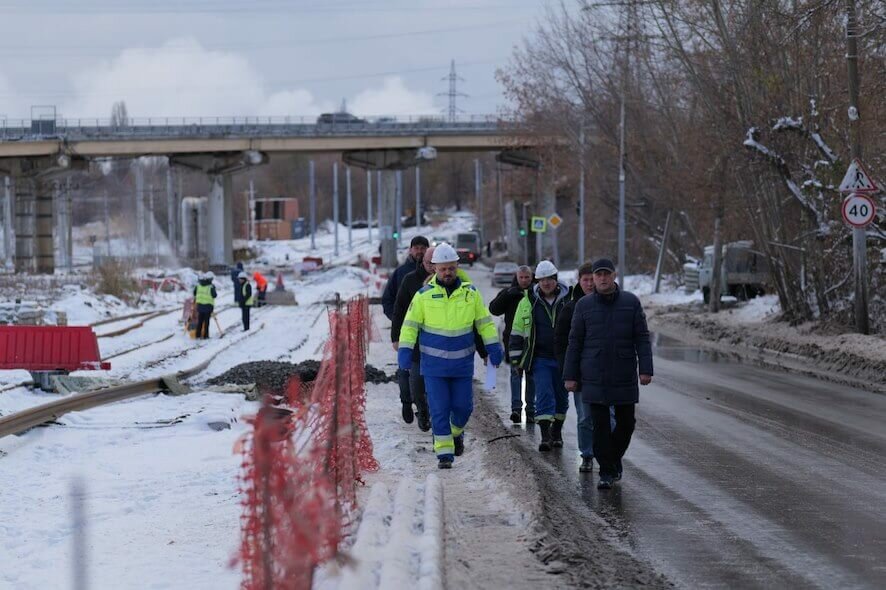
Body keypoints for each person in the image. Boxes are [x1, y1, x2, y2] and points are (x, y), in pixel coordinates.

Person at [398, 243, 503, 469]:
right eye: (443, 269)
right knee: (439, 408)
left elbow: (484, 324)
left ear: (457, 267)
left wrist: (493, 347)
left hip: (462, 366)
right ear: (434, 269)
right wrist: (405, 351)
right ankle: (444, 455)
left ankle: (456, 433)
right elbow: (409, 326)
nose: (448, 273)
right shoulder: (423, 296)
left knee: (464, 408)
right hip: (433, 367)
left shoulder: (470, 294)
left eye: (451, 268)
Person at [563, 258, 653, 490]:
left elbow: (642, 338)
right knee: (599, 425)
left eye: (606, 274)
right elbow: (574, 342)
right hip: (593, 374)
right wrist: (570, 375)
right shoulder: (584, 306)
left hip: (623, 374)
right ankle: (605, 471)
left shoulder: (630, 302)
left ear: (614, 276)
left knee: (626, 424)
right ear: (592, 278)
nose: (602, 278)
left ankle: (611, 460)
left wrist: (645, 369)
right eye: (598, 275)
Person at [510, 260, 571, 452]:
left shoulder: (568, 301)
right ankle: (545, 436)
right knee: (544, 394)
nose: (546, 283)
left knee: (561, 398)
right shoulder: (528, 302)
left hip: (564, 359)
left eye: (549, 279)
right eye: (542, 280)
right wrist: (516, 360)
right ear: (538, 281)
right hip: (540, 358)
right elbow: (517, 331)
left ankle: (557, 432)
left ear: (555, 279)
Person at [555, 261, 610, 473]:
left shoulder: (612, 304)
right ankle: (586, 454)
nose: (589, 283)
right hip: (581, 373)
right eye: (585, 280)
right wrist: (567, 370)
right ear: (579, 281)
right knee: (585, 417)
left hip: (607, 372)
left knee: (610, 418)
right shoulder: (570, 308)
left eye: (591, 279)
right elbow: (561, 342)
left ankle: (609, 458)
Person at [391, 246, 436, 432]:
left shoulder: (452, 283)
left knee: (434, 383)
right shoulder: (409, 279)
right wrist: (396, 337)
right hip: (414, 340)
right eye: (429, 264)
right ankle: (417, 407)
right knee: (412, 378)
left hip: (438, 343)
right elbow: (399, 309)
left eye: (436, 264)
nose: (433, 268)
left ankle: (433, 413)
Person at [489, 265, 536, 423]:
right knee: (516, 374)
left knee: (531, 376)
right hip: (513, 341)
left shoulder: (536, 294)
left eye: (527, 277)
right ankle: (516, 409)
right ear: (517, 277)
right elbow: (494, 309)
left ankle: (531, 410)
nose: (524, 280)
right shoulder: (509, 293)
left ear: (531, 277)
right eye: (521, 277)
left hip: (532, 341)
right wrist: (507, 296)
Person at [381, 235, 429, 320]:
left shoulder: (435, 271)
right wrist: (396, 318)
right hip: (406, 324)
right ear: (410, 250)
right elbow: (387, 298)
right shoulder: (400, 272)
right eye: (416, 248)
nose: (419, 251)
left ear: (428, 250)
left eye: (422, 248)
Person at [193, 271, 218, 339]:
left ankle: (197, 335)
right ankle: (205, 336)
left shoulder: (198, 286)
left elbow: (194, 293)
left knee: (200, 321)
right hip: (208, 307)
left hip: (200, 306)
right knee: (206, 322)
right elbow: (214, 295)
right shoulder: (211, 287)